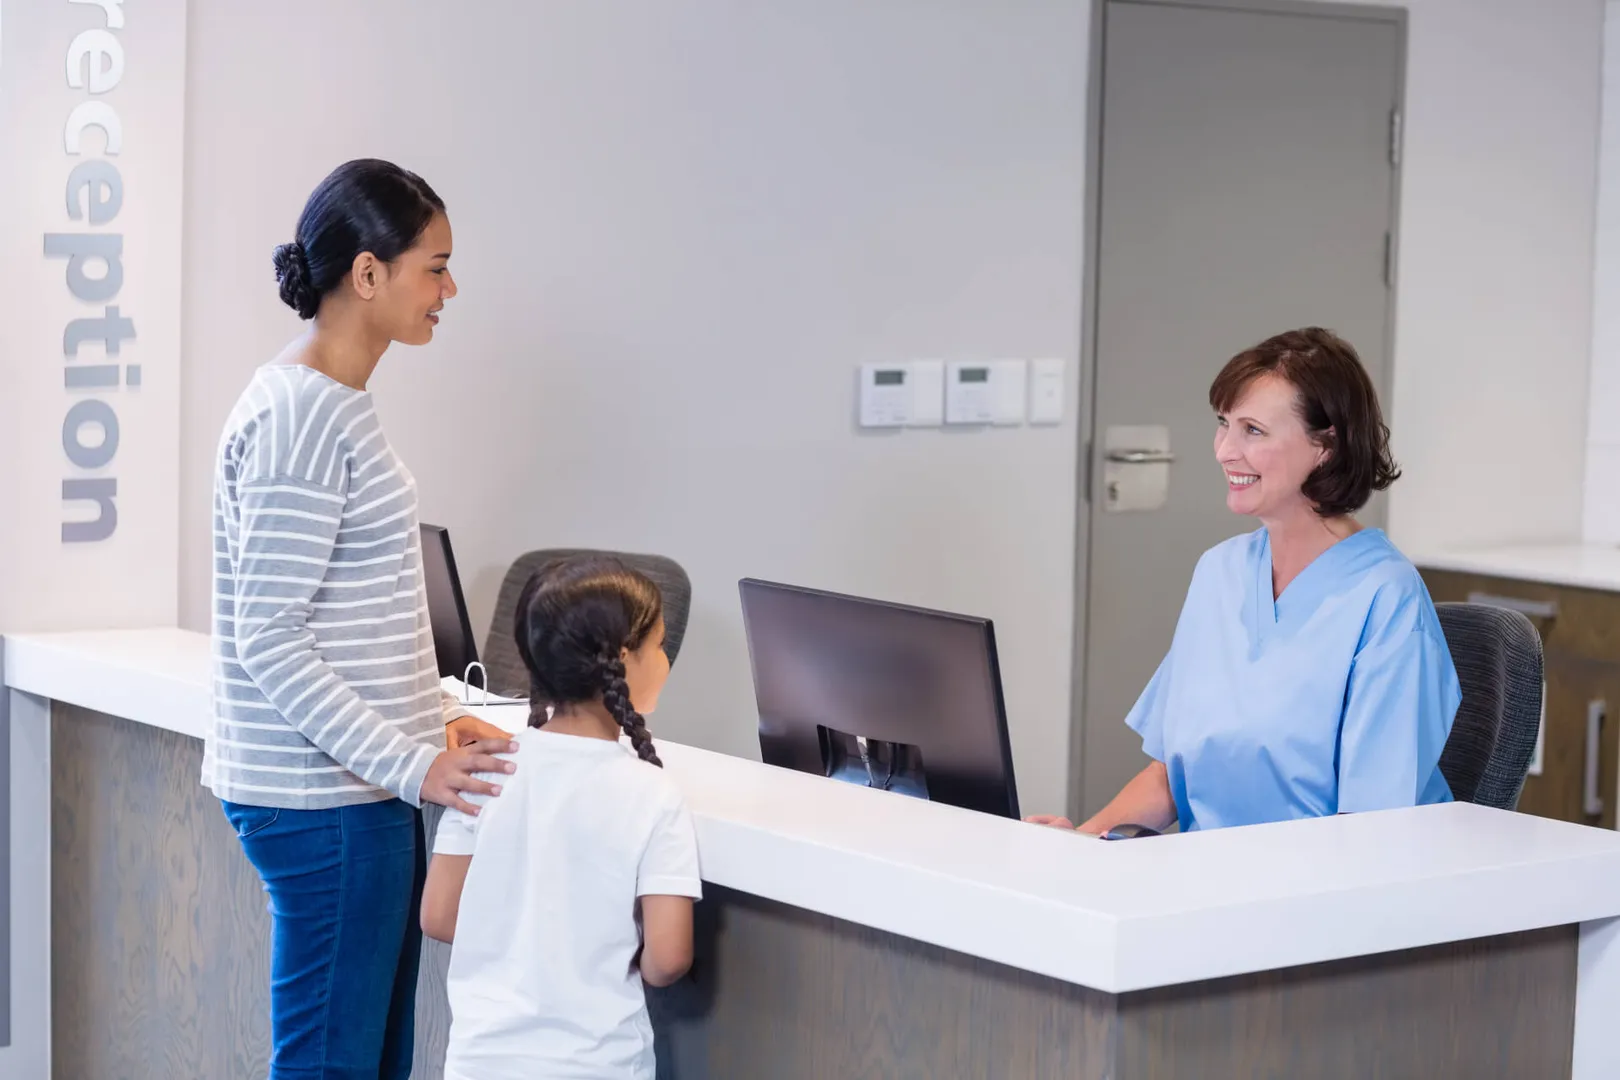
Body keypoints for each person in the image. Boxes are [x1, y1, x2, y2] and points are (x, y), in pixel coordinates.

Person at [204, 158, 518, 1080]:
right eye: (436, 266)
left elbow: (350, 618)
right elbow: (271, 639)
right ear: (368, 274)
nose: (449, 289)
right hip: (328, 801)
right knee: (333, 1068)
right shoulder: (305, 416)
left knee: (370, 1063)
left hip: (352, 793)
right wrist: (416, 764)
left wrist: (434, 720)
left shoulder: (328, 403)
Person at [1029, 327, 1460, 836]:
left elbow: (1372, 830)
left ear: (1325, 445)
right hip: (1207, 880)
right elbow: (1171, 776)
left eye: (1253, 430)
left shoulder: (1387, 599)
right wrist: (1075, 845)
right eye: (1224, 424)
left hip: (1316, 893)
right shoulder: (1221, 572)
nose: (1225, 450)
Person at [420, 556, 701, 1080]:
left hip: (479, 1062)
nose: (664, 661)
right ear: (622, 659)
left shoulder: (486, 768)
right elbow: (668, 957)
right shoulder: (652, 793)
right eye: (658, 646)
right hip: (598, 1064)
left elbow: (439, 916)